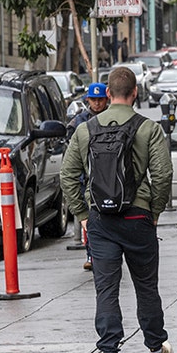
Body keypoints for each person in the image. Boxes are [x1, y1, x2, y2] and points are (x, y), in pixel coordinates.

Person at [61, 66, 175, 353]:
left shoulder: (86, 131)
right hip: (138, 217)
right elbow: (163, 175)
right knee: (146, 287)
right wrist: (155, 211)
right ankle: (155, 350)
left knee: (106, 290)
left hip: (100, 220)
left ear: (108, 94)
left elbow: (67, 175)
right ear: (135, 92)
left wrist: (83, 214)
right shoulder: (149, 129)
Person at [66, 83, 110, 270]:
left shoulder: (112, 117)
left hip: (109, 176)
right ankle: (92, 255)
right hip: (88, 177)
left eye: (101, 100)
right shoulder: (79, 122)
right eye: (94, 100)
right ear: (88, 100)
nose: (97, 103)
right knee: (90, 219)